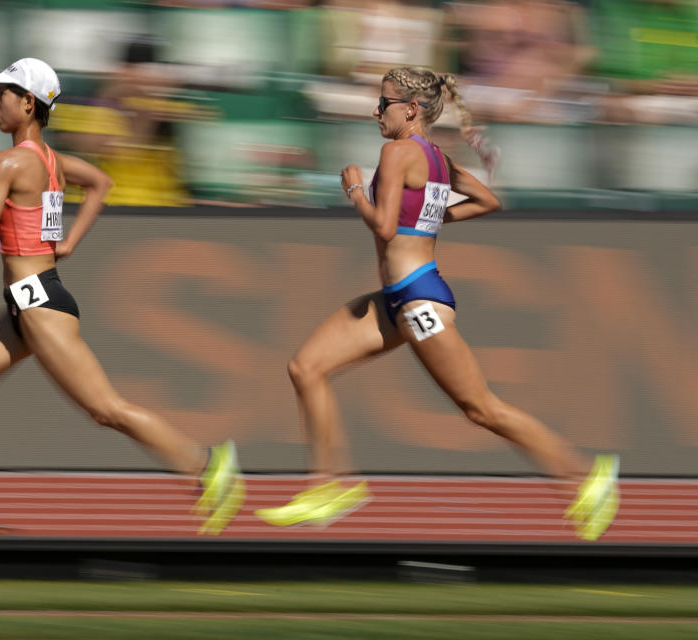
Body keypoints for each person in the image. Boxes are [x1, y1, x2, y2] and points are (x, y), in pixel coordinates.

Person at [255, 66, 618, 541]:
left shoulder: (397, 152)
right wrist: (427, 222)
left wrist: (354, 192)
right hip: (398, 299)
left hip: (418, 302)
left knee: (481, 408)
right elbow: (488, 200)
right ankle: (325, 489)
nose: (375, 111)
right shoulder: (440, 160)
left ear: (410, 109)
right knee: (306, 368)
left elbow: (383, 228)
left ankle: (586, 476)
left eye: (383, 103)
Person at [0, 58, 243, 535]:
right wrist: (69, 243)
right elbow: (102, 184)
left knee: (106, 409)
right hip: (29, 302)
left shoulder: (6, 161)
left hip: (39, 306)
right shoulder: (52, 160)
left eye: (5, 93)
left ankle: (207, 464)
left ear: (28, 103)